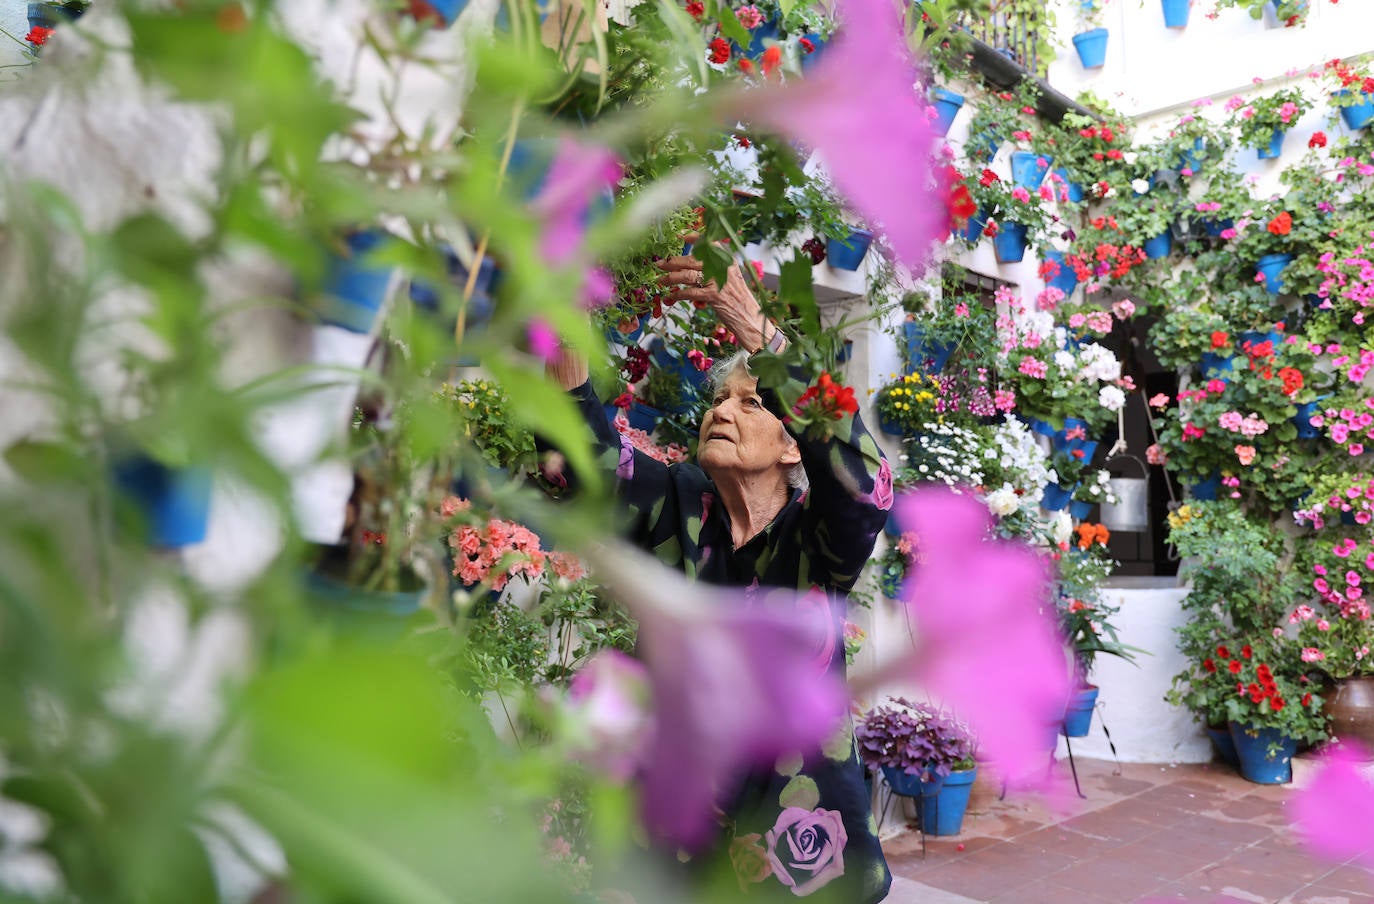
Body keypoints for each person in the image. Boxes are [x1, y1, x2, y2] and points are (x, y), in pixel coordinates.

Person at [545, 253, 894, 902]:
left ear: (793, 443)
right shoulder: (679, 504)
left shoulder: (818, 541)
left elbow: (865, 480)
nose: (723, 412)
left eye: (750, 403)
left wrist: (754, 327)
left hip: (803, 857)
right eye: (719, 402)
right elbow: (581, 465)